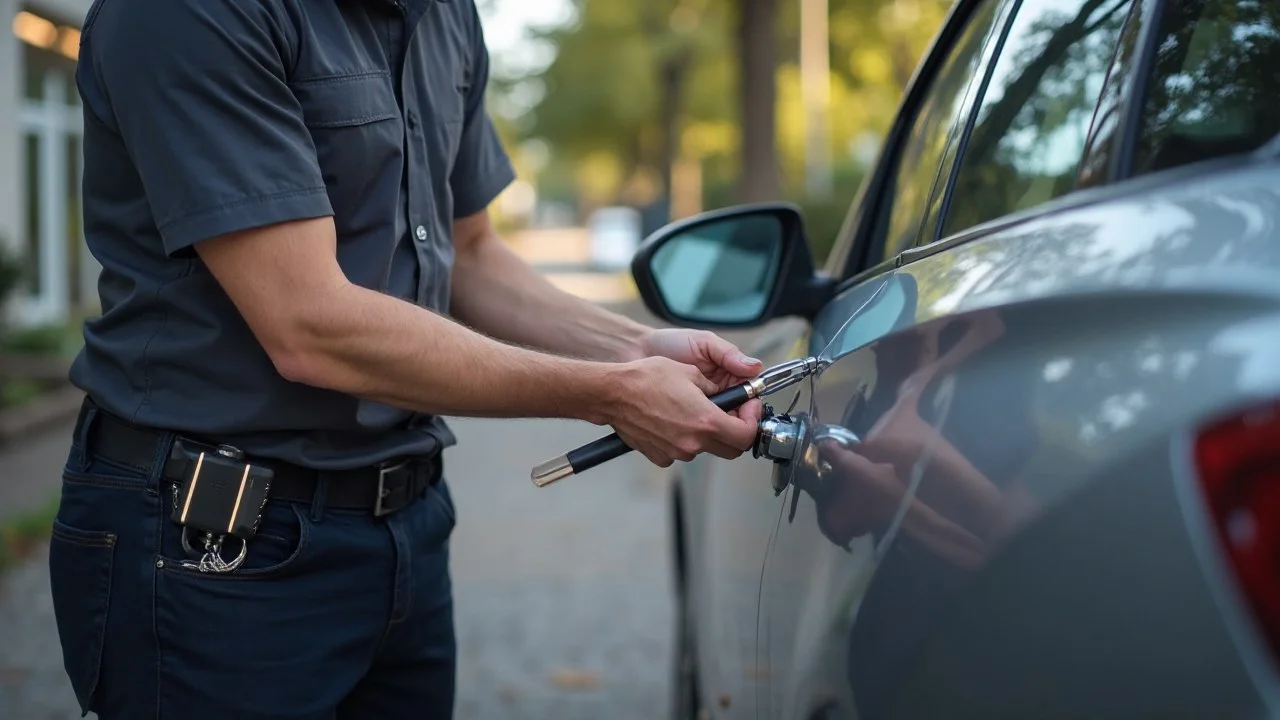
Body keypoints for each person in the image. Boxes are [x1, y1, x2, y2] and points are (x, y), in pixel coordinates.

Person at [45, 1, 766, 718]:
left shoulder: (445, 16)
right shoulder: (193, 14)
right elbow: (308, 324)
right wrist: (609, 392)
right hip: (213, 547)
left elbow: (470, 253)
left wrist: (633, 348)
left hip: (407, 528)